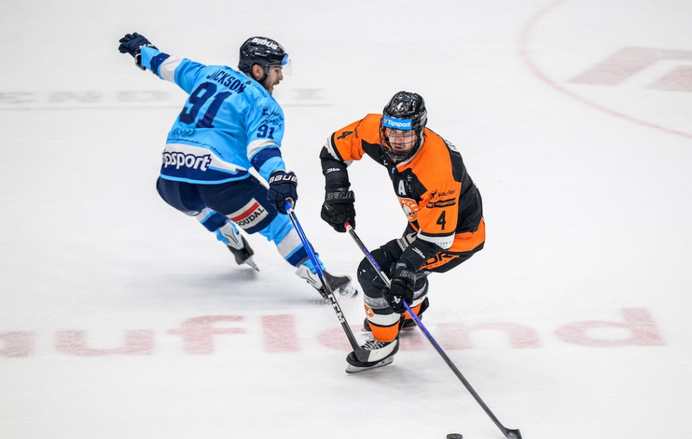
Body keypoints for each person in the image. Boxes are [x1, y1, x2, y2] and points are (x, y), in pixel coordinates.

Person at [117, 32, 356, 299]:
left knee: (199, 200)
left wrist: (142, 50)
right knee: (278, 222)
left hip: (170, 184)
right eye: (277, 70)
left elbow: (168, 65)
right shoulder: (262, 102)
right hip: (219, 187)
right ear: (258, 70)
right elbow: (261, 148)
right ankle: (319, 275)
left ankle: (228, 235)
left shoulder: (209, 73)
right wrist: (278, 176)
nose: (281, 78)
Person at [319, 91, 485, 372]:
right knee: (401, 271)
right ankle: (408, 314)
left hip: (457, 237)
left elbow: (436, 240)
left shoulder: (437, 170)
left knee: (375, 272)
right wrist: (337, 192)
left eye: (405, 135)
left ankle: (385, 343)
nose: (396, 140)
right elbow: (332, 150)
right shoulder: (375, 130)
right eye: (392, 131)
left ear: (420, 131)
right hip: (424, 222)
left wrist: (406, 270)